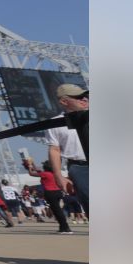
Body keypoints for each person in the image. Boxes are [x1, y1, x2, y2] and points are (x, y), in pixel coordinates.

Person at [46, 84, 89, 216]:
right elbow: (54, 150)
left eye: (85, 96)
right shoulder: (55, 123)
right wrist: (59, 176)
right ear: (64, 101)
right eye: (78, 97)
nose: (85, 99)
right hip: (79, 167)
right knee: (89, 203)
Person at [26, 156, 71, 233]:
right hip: (58, 192)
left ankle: (66, 228)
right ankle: (62, 227)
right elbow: (37, 170)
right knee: (57, 210)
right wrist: (33, 163)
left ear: (45, 167)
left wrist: (30, 166)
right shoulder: (54, 173)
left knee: (57, 211)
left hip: (50, 193)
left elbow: (31, 173)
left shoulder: (45, 174)